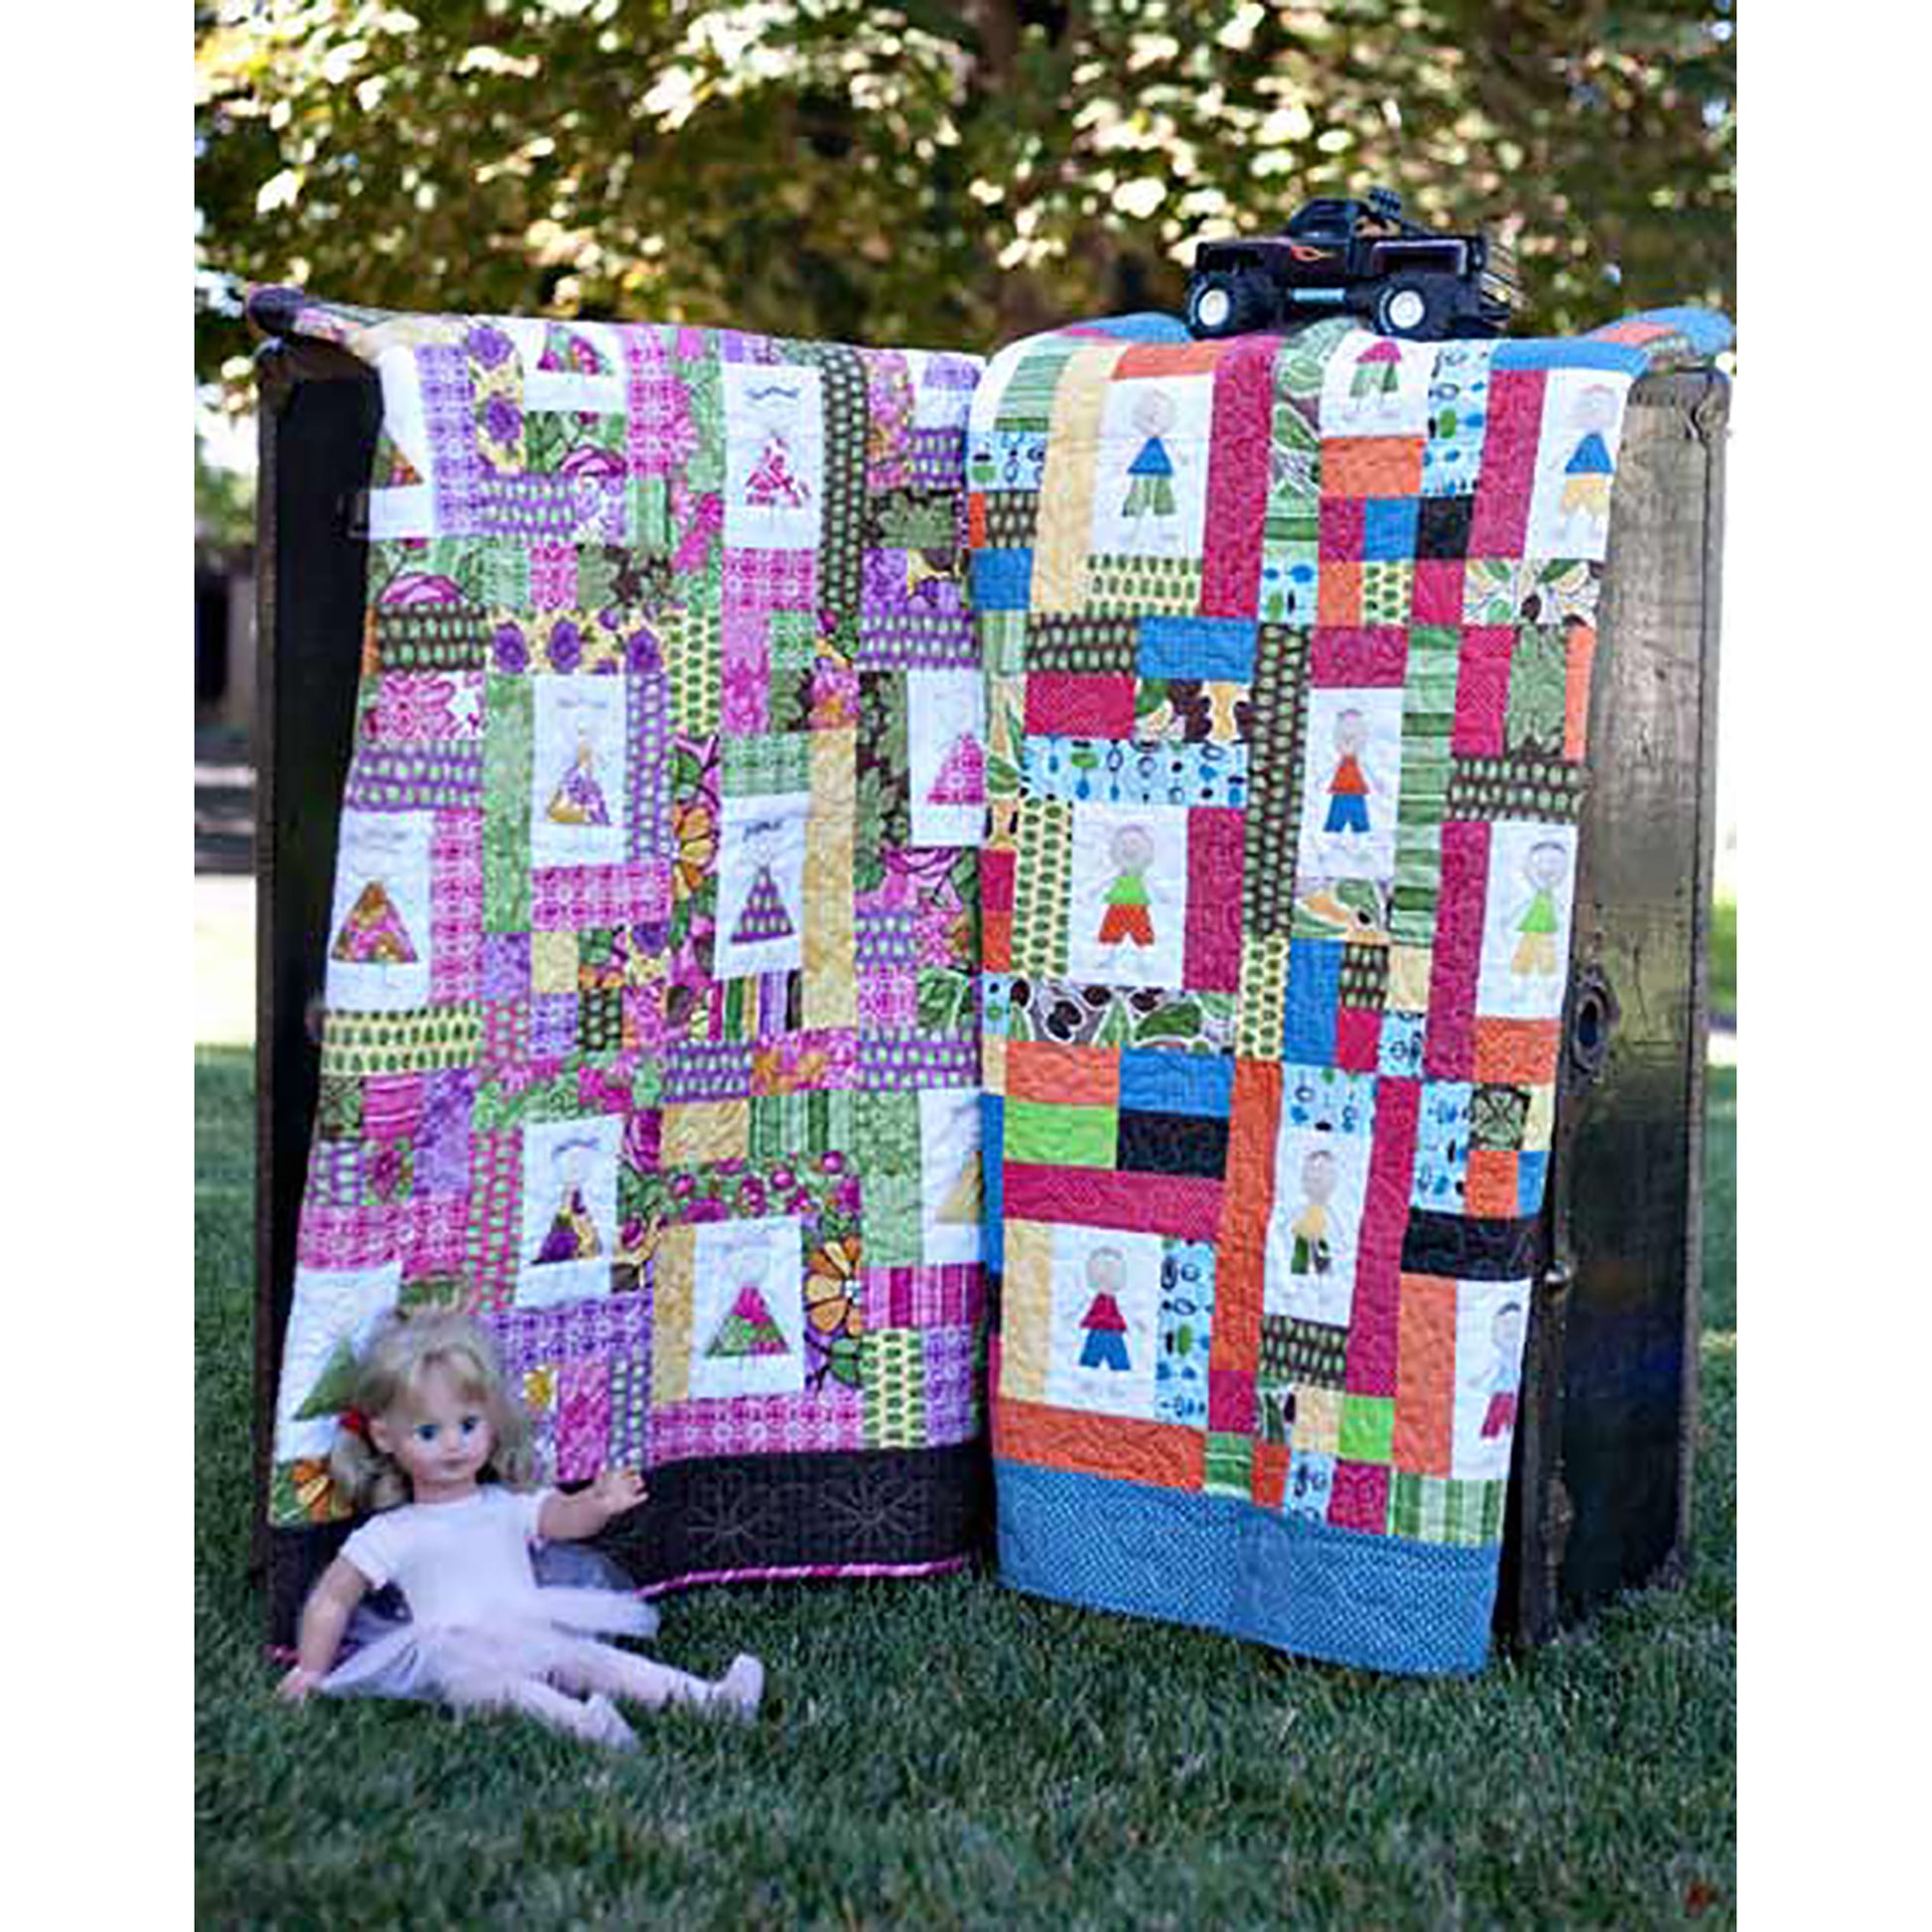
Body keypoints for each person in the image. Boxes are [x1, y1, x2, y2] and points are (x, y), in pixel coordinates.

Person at [277, 1311, 763, 1747]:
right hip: (455, 1653)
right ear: (385, 1437)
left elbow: (562, 1517)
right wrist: (311, 1668)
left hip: (530, 1629)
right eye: (428, 1432)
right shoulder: (391, 1533)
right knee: (494, 1688)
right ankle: (580, 1724)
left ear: (491, 1420)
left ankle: (709, 1698)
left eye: (468, 1425)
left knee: (595, 1660)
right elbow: (332, 1598)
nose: (453, 1445)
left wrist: (597, 1503)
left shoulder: (503, 1503)